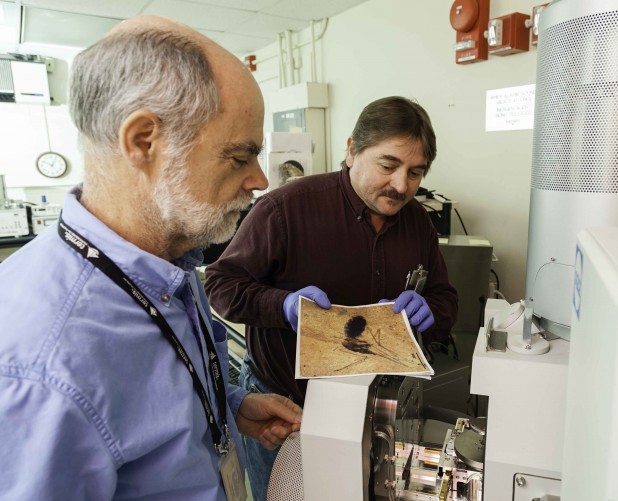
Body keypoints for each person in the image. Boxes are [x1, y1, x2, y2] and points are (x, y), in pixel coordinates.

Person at [0, 16, 302, 501]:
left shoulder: (171, 261)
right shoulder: (43, 367)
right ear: (144, 141)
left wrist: (230, 405)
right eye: (239, 156)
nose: (260, 179)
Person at [205, 95, 459, 500]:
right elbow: (220, 285)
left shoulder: (418, 224)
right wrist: (284, 306)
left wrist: (433, 310)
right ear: (352, 150)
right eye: (389, 165)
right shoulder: (285, 209)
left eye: (415, 172)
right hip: (288, 409)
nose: (401, 186)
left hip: (375, 410)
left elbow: (445, 296)